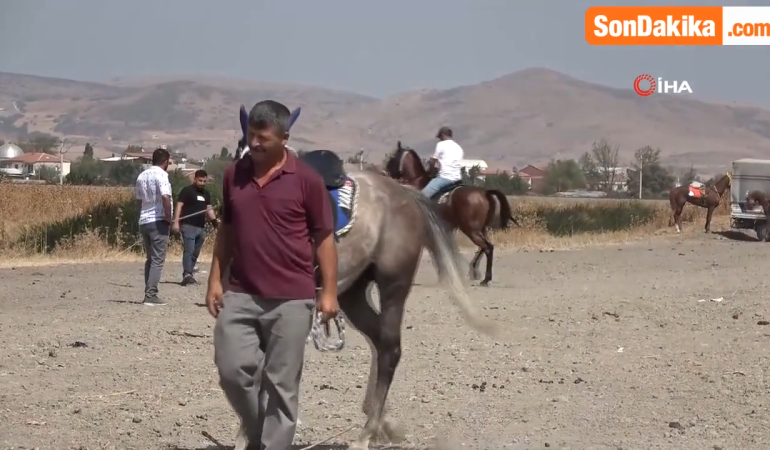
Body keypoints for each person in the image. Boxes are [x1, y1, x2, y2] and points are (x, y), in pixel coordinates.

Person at [205, 100, 339, 450]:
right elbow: (227, 232)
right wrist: (214, 280)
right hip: (241, 293)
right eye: (251, 135)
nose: (254, 143)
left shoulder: (308, 181)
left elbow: (324, 238)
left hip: (292, 298)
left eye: (263, 137)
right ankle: (258, 433)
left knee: (281, 385)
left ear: (284, 138)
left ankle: (271, 444)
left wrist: (329, 292)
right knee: (232, 371)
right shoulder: (235, 174)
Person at [134, 146, 173, 306]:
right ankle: (151, 295)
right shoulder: (162, 175)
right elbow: (165, 196)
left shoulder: (142, 175)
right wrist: (169, 217)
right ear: (165, 161)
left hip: (144, 220)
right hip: (158, 221)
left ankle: (148, 292)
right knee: (157, 259)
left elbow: (138, 200)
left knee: (150, 259)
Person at [173, 169, 218, 286]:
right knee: (189, 250)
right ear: (195, 179)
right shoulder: (187, 191)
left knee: (195, 252)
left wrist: (215, 223)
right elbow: (179, 206)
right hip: (188, 225)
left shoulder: (206, 194)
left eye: (204, 181)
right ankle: (187, 274)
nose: (202, 183)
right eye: (200, 181)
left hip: (200, 227)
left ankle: (190, 273)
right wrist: (176, 222)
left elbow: (209, 209)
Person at [421, 126, 464, 198]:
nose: (439, 139)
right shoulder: (459, 148)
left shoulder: (441, 144)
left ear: (443, 135)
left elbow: (433, 163)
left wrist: (429, 172)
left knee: (421, 197)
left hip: (445, 177)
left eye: (439, 137)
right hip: (458, 179)